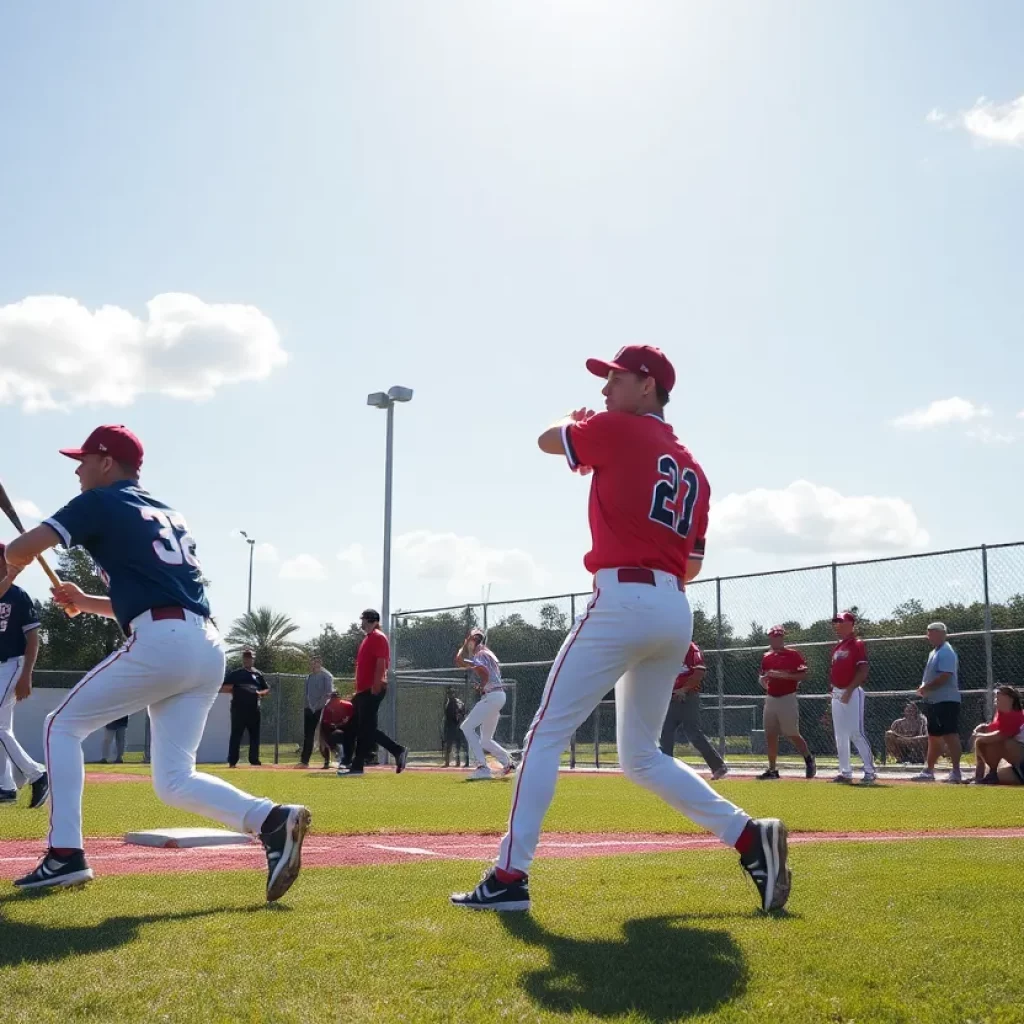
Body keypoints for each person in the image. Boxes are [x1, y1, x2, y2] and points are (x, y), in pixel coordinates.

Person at [451, 345, 790, 914]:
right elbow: (693, 565)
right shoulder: (695, 469)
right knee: (640, 757)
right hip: (675, 609)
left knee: (542, 736)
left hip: (622, 599)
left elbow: (545, 439)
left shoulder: (620, 428)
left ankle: (510, 877)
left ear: (648, 386)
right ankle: (750, 837)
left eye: (616, 378)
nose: (605, 389)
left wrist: (578, 423)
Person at [3, 424, 309, 897]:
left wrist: (17, 559)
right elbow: (156, 595)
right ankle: (270, 819)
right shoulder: (168, 512)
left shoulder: (100, 501)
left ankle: (65, 854)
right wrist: (86, 600)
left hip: (163, 640)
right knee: (173, 780)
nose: (78, 470)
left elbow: (20, 549)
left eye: (84, 460)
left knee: (60, 726)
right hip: (204, 645)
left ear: (108, 462)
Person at [0, 542, 49, 809]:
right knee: (2, 729)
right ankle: (6, 786)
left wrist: (26, 675)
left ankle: (37, 774)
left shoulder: (19, 596)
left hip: (12, 664)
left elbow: (33, 639)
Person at [339, 609, 407, 777]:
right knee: (357, 727)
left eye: (364, 620)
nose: (362, 623)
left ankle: (358, 765)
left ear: (372, 621)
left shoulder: (378, 637)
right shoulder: (368, 638)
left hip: (372, 689)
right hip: (363, 691)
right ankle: (394, 751)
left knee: (366, 729)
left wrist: (375, 686)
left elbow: (381, 662)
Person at [659, 641, 728, 779]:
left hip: (687, 697)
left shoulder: (691, 648)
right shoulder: (667, 648)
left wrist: (684, 689)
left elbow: (699, 671)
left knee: (692, 732)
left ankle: (718, 766)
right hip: (671, 697)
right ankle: (666, 770)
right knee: (665, 732)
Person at [757, 626, 815, 780]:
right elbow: (763, 676)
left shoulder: (793, 655)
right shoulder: (767, 656)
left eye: (778, 637)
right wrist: (763, 681)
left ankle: (808, 758)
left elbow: (803, 675)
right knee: (770, 734)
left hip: (787, 697)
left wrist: (781, 675)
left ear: (782, 638)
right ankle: (772, 769)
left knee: (791, 733)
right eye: (773, 637)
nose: (776, 639)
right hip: (770, 698)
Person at [455, 629, 515, 780]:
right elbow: (468, 664)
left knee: (466, 727)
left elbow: (462, 662)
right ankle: (508, 763)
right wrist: (483, 685)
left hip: (492, 696)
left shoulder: (479, 654)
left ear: (473, 639)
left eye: (469, 638)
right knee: (485, 740)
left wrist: (482, 685)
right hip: (498, 696)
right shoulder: (486, 652)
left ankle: (482, 768)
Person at [910, 622, 963, 784]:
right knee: (934, 737)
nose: (929, 637)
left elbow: (945, 675)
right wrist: (924, 688)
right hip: (934, 701)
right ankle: (929, 770)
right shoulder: (934, 652)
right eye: (928, 633)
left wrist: (926, 687)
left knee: (950, 734)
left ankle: (956, 772)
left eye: (931, 633)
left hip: (946, 701)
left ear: (941, 633)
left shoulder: (946, 652)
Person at [828, 611, 877, 784]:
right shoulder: (838, 646)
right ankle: (845, 772)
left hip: (852, 691)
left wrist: (849, 690)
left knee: (856, 733)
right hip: (837, 692)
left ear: (851, 624)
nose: (838, 625)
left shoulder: (857, 644)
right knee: (840, 735)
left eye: (841, 622)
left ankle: (870, 771)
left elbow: (863, 671)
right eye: (836, 622)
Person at [221, 650, 270, 767]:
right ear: (243, 659)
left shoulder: (258, 674)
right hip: (238, 709)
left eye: (250, 658)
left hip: (254, 709)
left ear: (253, 659)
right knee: (236, 735)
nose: (248, 660)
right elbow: (224, 687)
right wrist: (237, 691)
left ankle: (254, 760)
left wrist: (260, 693)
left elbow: (266, 689)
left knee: (254, 735)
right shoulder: (236, 674)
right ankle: (232, 761)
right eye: (246, 658)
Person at [971, 686, 1024, 785]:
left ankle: (992, 773)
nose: (996, 700)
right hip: (1017, 764)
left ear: (1010, 699)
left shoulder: (1016, 715)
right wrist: (984, 727)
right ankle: (984, 775)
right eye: (996, 697)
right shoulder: (1002, 715)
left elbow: (1000, 736)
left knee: (1002, 742)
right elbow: (994, 728)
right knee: (998, 778)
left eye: (999, 698)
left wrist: (978, 735)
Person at [299, 655, 334, 768]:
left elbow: (328, 694)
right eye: (312, 662)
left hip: (321, 709)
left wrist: (319, 706)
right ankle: (304, 761)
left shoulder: (326, 676)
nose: (314, 664)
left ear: (320, 663)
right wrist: (309, 706)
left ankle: (327, 761)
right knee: (308, 735)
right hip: (309, 709)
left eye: (317, 662)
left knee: (323, 736)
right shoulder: (309, 677)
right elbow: (307, 694)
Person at [319, 691, 356, 768]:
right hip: (336, 729)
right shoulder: (328, 708)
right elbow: (325, 726)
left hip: (349, 728)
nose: (333, 702)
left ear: (339, 699)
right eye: (332, 700)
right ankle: (333, 757)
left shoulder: (348, 706)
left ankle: (352, 759)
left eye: (335, 699)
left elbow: (353, 720)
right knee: (333, 735)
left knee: (350, 736)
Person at [442, 686, 469, 768]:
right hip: (451, 727)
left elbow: (463, 713)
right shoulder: (448, 703)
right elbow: (447, 716)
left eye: (452, 693)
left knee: (460, 745)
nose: (450, 695)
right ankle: (448, 762)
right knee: (449, 746)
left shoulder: (458, 703)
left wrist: (459, 717)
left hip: (458, 727)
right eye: (449, 693)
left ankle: (465, 762)